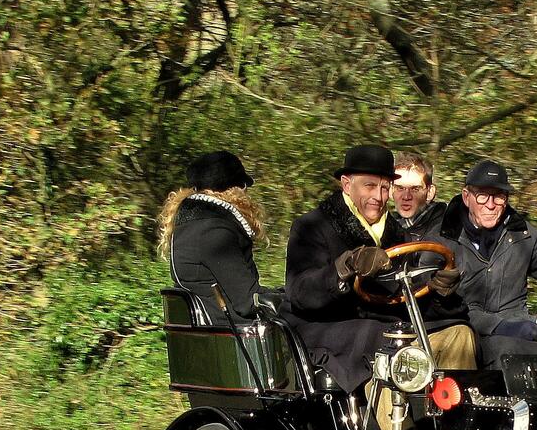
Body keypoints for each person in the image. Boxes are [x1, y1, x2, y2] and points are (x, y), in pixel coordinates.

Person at [284, 144, 476, 397]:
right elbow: (300, 293)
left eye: (385, 188)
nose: (379, 196)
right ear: (346, 184)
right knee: (391, 342)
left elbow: (406, 295)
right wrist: (344, 268)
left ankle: (456, 426)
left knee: (459, 333)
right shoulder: (312, 226)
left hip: (383, 325)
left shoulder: (398, 235)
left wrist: (439, 291)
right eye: (370, 186)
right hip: (325, 328)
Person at [426, 159, 537, 371]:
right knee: (505, 350)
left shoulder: (524, 236)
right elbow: (430, 302)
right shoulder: (440, 240)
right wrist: (498, 326)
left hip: (520, 329)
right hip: (466, 332)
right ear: (466, 197)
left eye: (498, 196)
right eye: (482, 195)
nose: (490, 204)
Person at [158, 151, 267, 324]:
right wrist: (293, 299)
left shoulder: (188, 225)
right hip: (235, 335)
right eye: (244, 186)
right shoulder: (214, 231)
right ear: (234, 189)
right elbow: (248, 302)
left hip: (213, 332)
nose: (246, 192)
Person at [388, 151, 446, 242]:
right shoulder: (387, 230)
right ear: (391, 191)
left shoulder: (447, 232)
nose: (406, 197)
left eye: (415, 189)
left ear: (430, 192)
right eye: (400, 188)